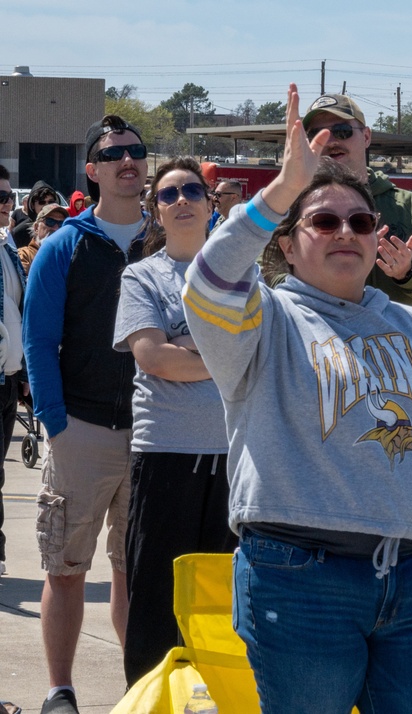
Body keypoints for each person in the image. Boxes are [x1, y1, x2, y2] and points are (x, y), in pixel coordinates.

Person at [183, 85, 412, 712]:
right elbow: (209, 283)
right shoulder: (264, 321)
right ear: (285, 242)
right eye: (323, 221)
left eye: (360, 222)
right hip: (299, 577)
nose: (346, 233)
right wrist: (280, 190)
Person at [24, 114, 148, 714]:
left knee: (134, 573)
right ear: (93, 170)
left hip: (157, 436)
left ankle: (139, 689)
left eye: (136, 151)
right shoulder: (63, 246)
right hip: (83, 431)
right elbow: (39, 340)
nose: (128, 161)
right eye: (114, 154)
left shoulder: (173, 238)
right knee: (67, 568)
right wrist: (56, 424)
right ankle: (60, 690)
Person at [112, 158, 237, 686]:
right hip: (165, 457)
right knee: (156, 607)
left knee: (226, 608)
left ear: (212, 205)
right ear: (156, 212)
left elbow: (261, 356)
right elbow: (154, 359)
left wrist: (186, 345)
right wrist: (224, 355)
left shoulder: (242, 276)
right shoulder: (141, 276)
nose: (181, 200)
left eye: (192, 190)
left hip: (236, 461)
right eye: (168, 195)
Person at [302, 93, 412, 310]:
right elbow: (268, 282)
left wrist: (408, 273)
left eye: (342, 131)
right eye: (317, 134)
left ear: (366, 137)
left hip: (399, 342)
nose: (330, 141)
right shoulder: (293, 207)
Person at [0, 164, 28, 581]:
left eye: (7, 197)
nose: (5, 205)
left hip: (7, 381)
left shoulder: (6, 248)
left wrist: (22, 373)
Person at [20, 203, 68, 275]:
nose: (56, 228)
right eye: (50, 221)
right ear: (36, 227)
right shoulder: (24, 255)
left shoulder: (67, 256)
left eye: (61, 223)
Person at [10, 181, 59, 249]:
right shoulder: (18, 233)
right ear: (32, 205)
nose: (46, 206)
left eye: (51, 202)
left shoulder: (62, 226)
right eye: (42, 202)